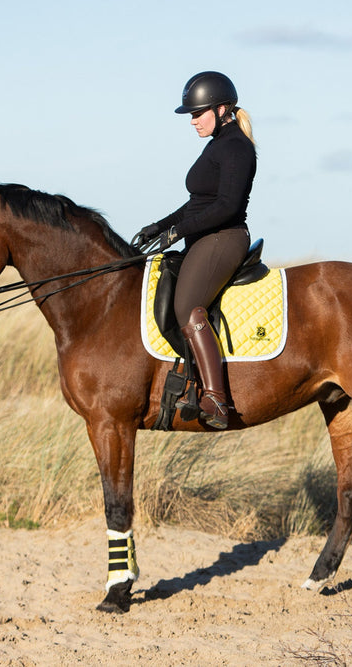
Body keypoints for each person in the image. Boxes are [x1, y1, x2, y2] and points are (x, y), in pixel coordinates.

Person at [134, 71, 257, 429]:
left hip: (224, 237)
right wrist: (159, 226)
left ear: (222, 109)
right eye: (191, 115)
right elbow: (197, 203)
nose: (193, 121)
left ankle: (217, 400)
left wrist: (179, 231)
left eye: (197, 113)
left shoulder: (236, 146)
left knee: (188, 307)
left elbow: (227, 206)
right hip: (204, 235)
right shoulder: (217, 144)